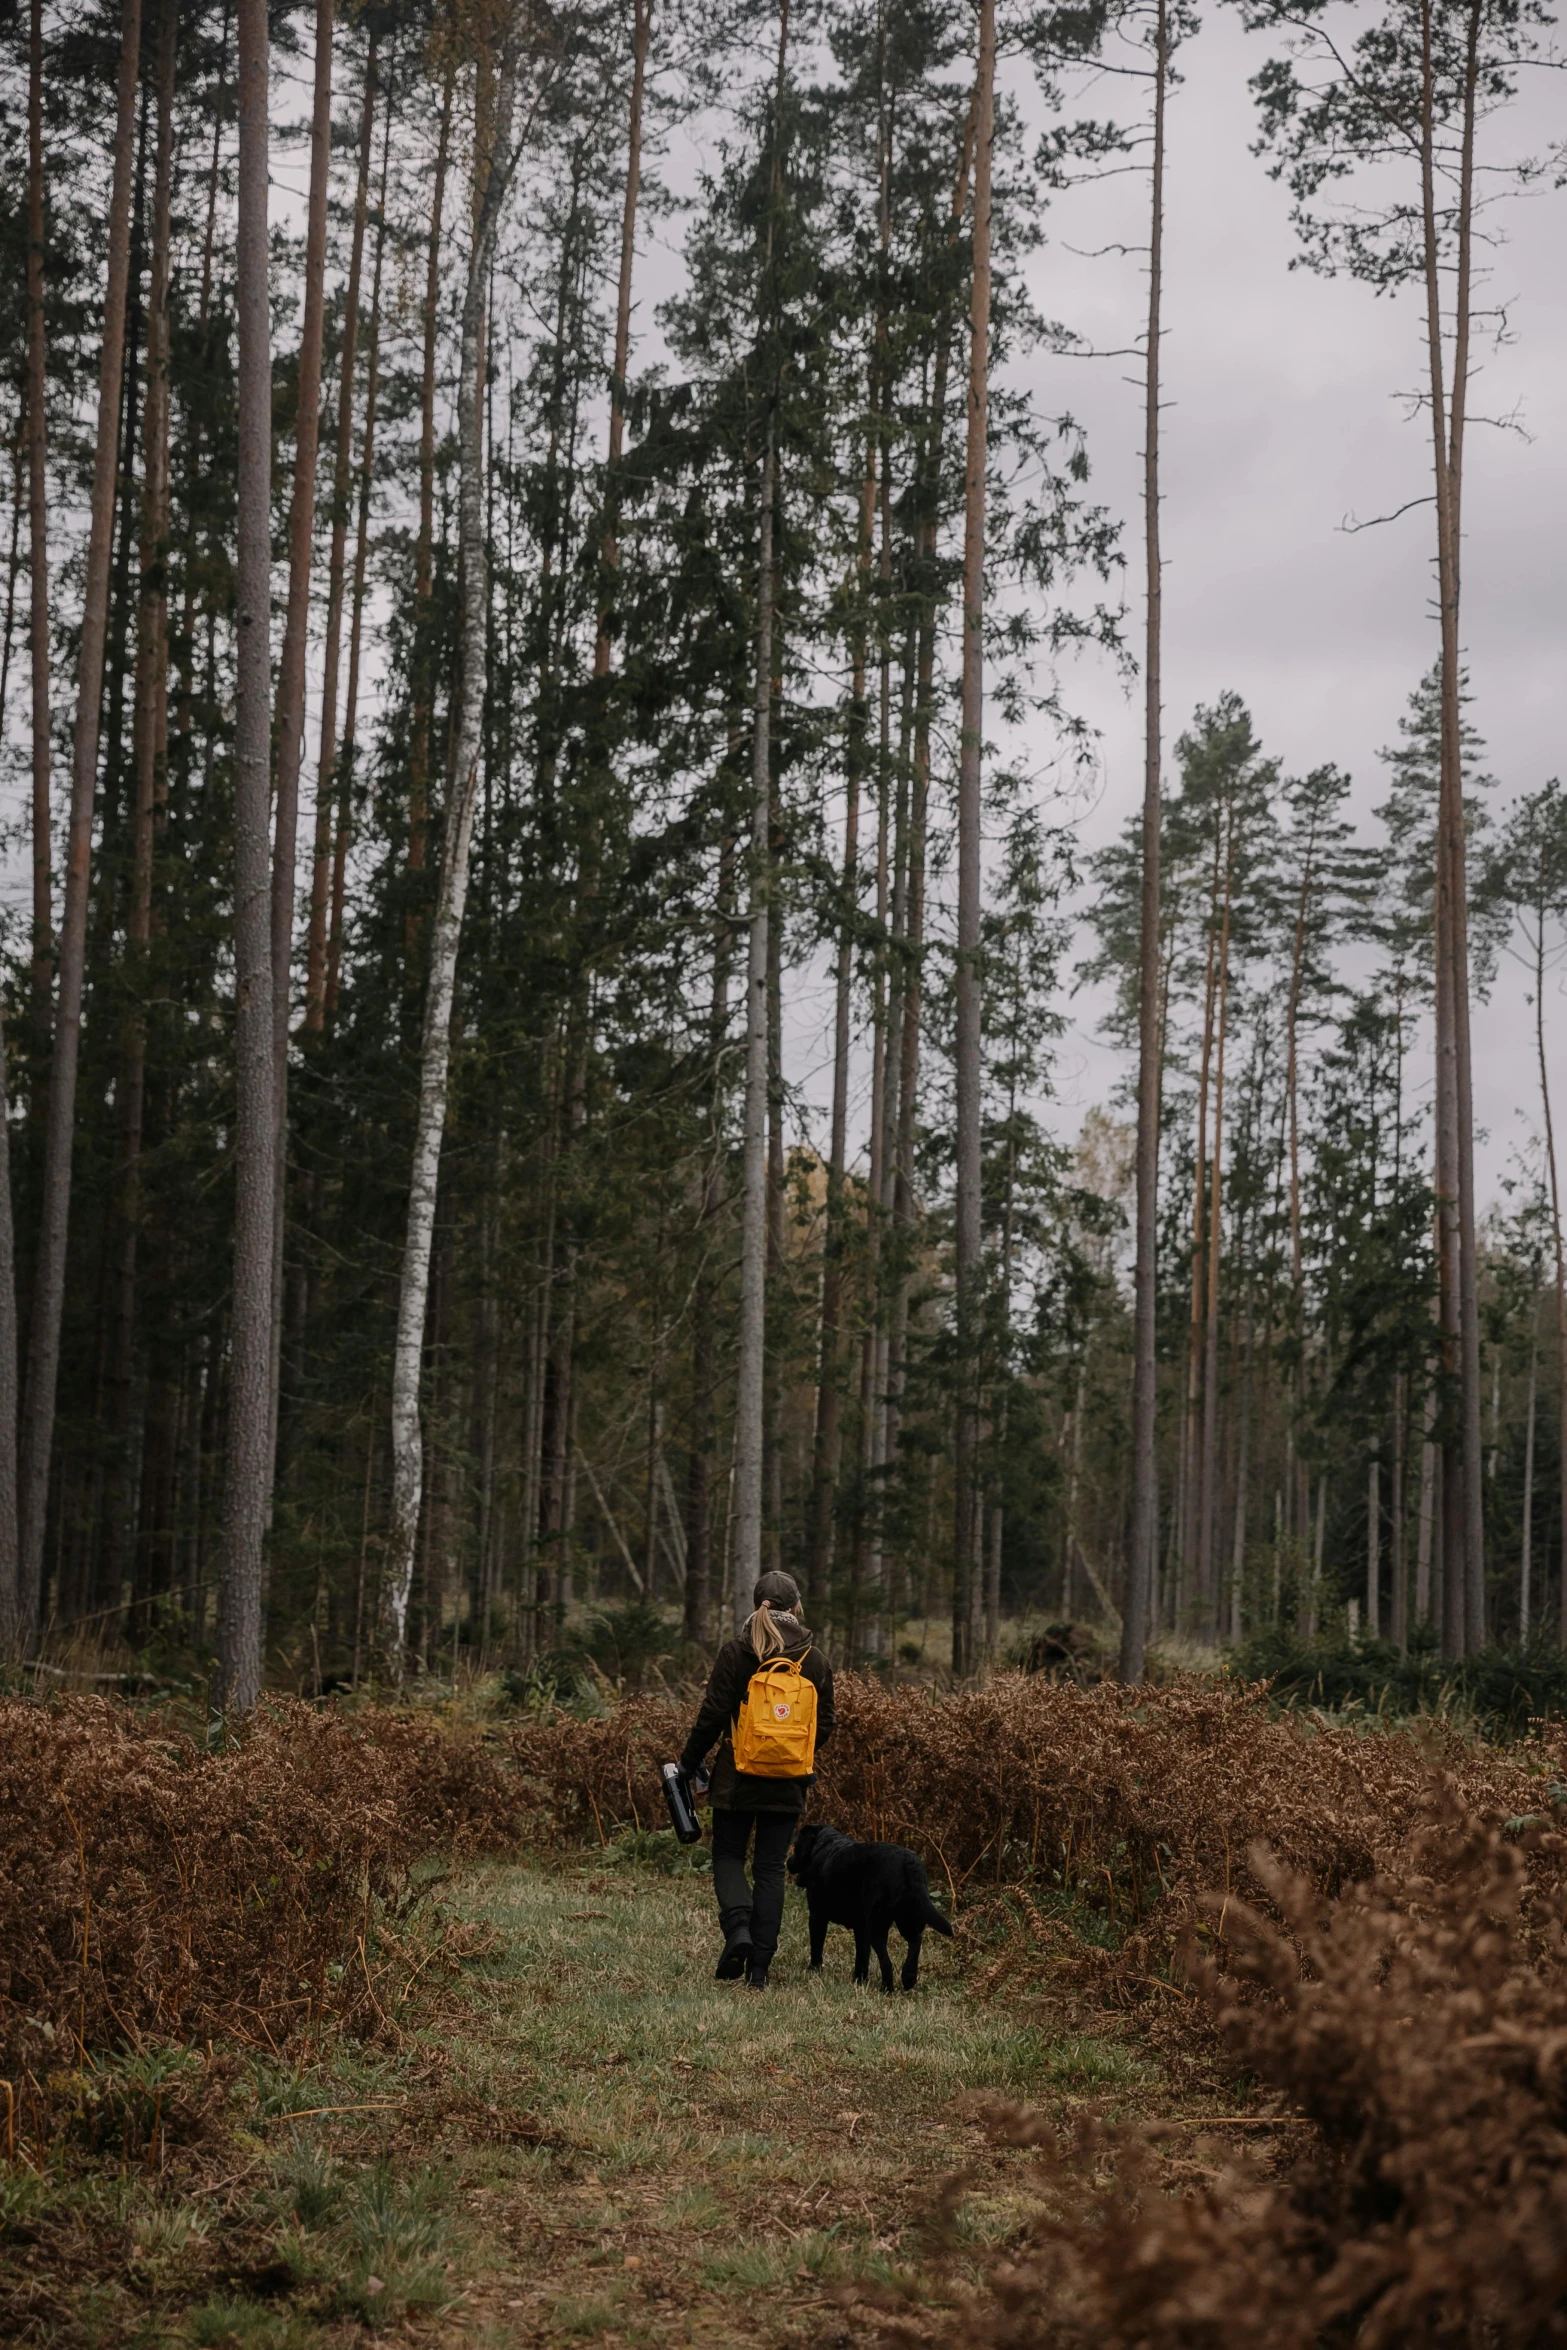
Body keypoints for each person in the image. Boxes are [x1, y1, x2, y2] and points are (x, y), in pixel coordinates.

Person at [679, 1570, 835, 1990]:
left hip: (737, 1776)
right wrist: (791, 1754)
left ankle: (739, 1931)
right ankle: (760, 1969)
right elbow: (826, 1725)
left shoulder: (738, 1650)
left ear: (757, 1605)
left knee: (729, 1857)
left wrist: (688, 1763)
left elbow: (712, 1716)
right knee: (769, 1868)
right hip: (789, 1780)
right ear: (796, 1607)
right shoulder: (814, 1658)